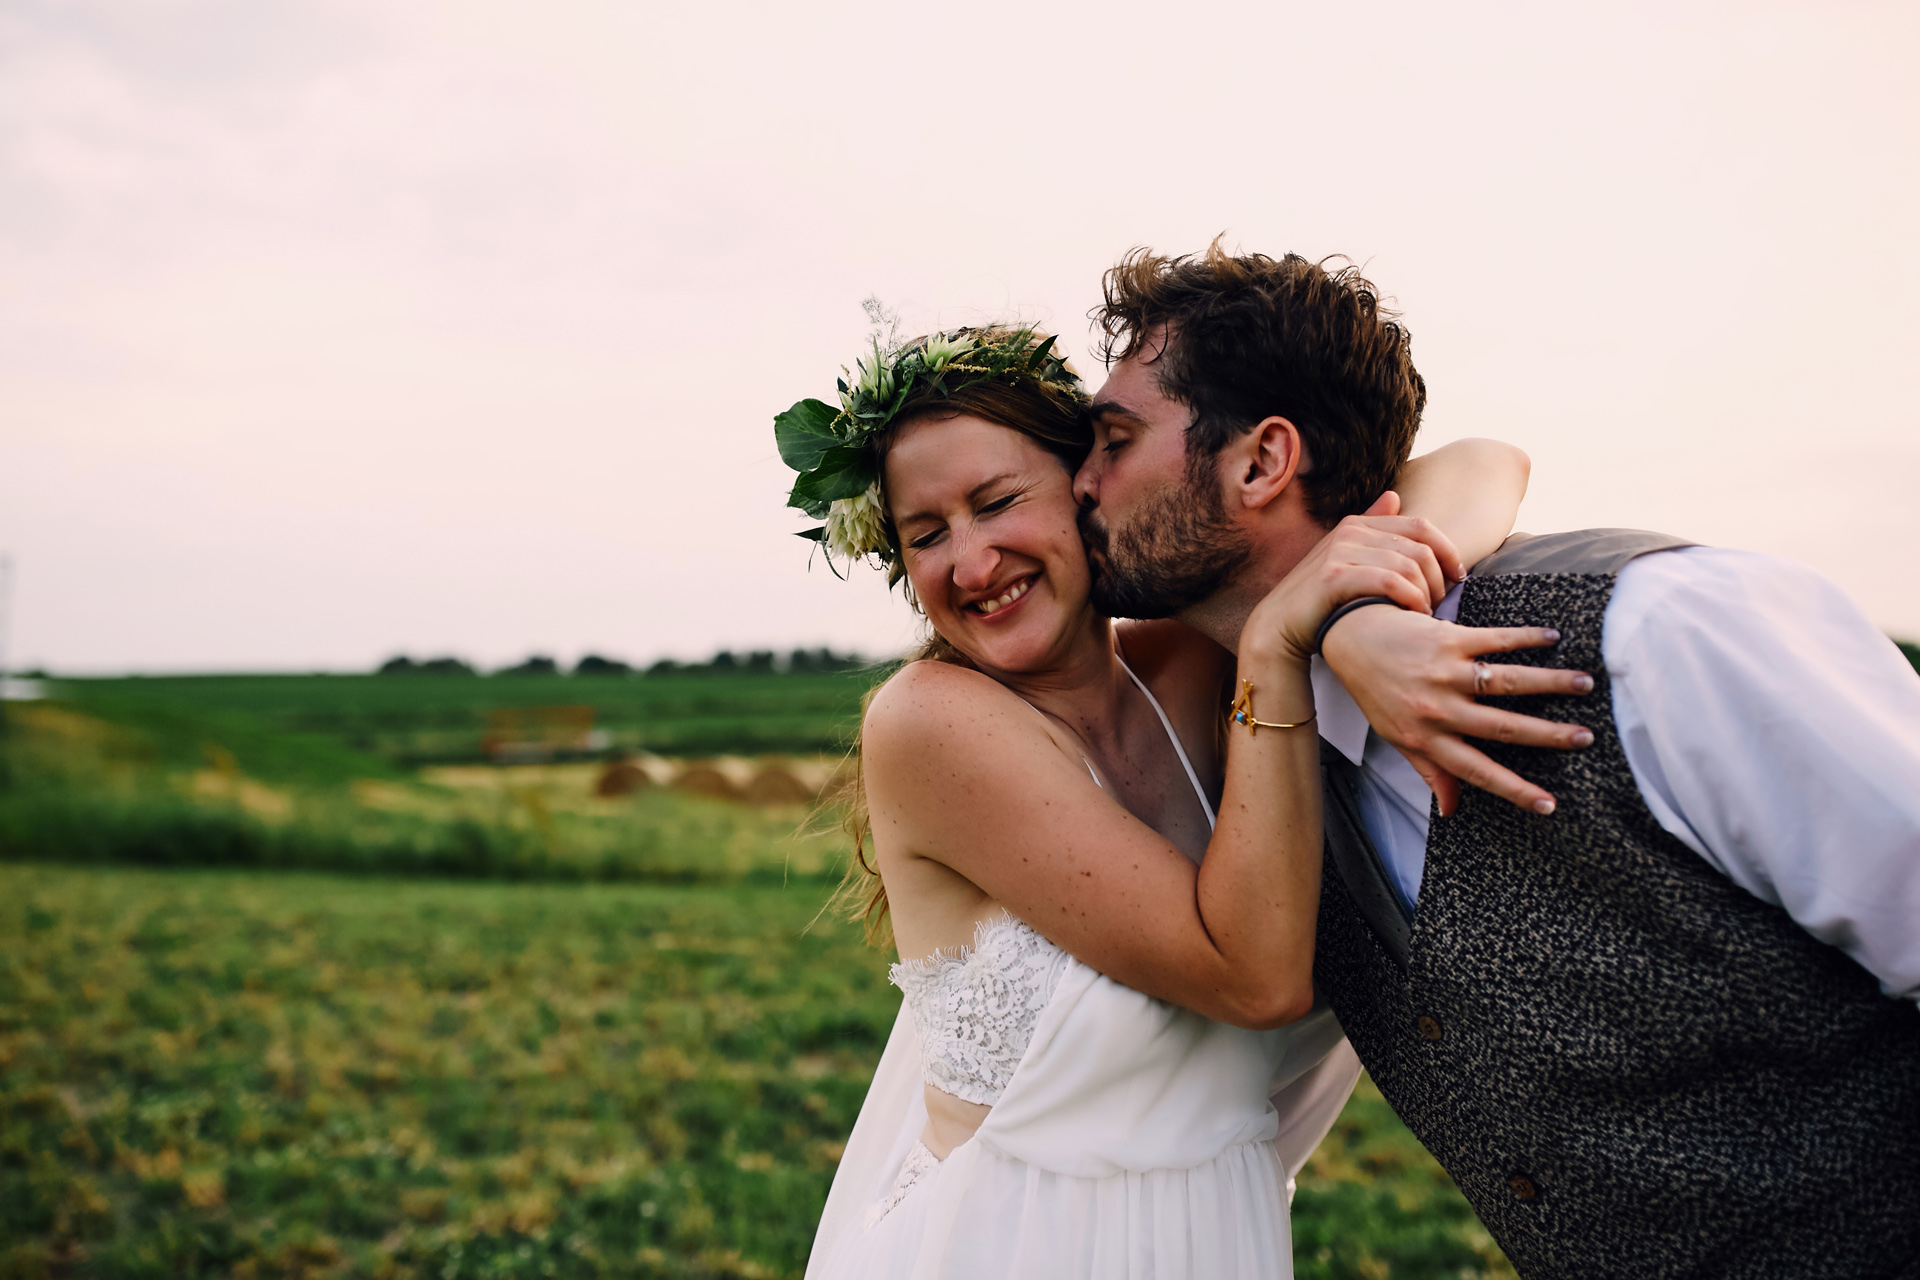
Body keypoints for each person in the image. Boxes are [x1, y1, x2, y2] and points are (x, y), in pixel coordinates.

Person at [1071, 242, 1920, 1280]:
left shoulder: (1659, 632)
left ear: (1260, 460)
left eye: (1114, 440)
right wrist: (1326, 624)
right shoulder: (1250, 759)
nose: (1080, 481)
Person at [774, 324, 1579, 1277]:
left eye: (997, 503)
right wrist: (1281, 646)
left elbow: (1481, 463)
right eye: (926, 534)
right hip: (1005, 1244)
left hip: (1211, 1239)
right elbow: (1254, 978)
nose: (973, 563)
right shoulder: (930, 721)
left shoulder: (1188, 660)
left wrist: (1362, 617)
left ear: (1085, 492)